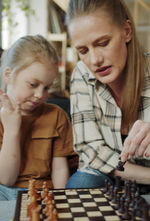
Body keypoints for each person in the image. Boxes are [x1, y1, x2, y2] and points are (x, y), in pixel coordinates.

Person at [65, 0, 150, 189]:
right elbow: (91, 152)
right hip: (107, 175)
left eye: (103, 43)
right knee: (83, 182)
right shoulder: (82, 73)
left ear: (127, 31)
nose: (95, 60)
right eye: (83, 51)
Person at [0, 35, 75, 200]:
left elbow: (60, 170)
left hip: (44, 192)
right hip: (4, 192)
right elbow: (6, 179)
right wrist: (11, 130)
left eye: (47, 87)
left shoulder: (56, 116)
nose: (40, 95)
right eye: (33, 85)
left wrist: (62, 199)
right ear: (8, 75)